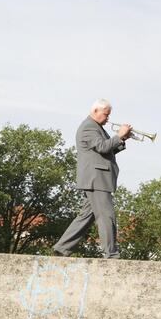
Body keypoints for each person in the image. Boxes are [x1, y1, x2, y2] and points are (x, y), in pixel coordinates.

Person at [53, 99, 132, 259]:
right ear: (96, 111)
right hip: (96, 179)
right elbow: (103, 147)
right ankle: (111, 255)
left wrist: (122, 139)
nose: (108, 118)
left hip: (96, 178)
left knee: (86, 217)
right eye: (106, 114)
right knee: (106, 216)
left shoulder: (96, 127)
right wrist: (119, 135)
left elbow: (107, 150)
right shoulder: (89, 127)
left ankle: (62, 248)